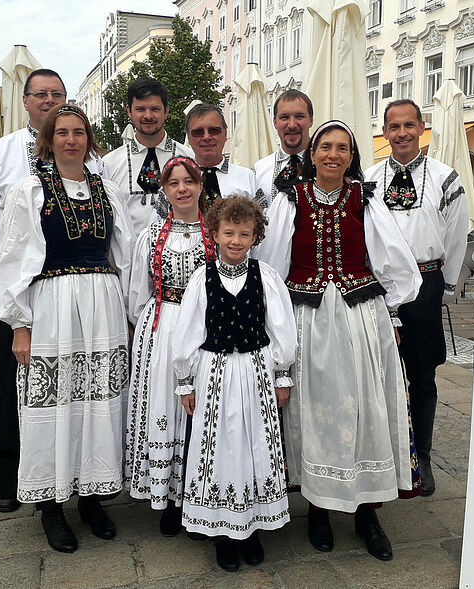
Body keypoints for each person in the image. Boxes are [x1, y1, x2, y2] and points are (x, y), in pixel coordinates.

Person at [256, 120, 422, 561]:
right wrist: (275, 318)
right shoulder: (289, 200)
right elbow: (271, 265)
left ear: (352, 156)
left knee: (365, 406)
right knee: (315, 410)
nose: (333, 154)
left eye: (342, 148)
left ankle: (368, 509)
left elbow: (395, 259)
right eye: (325, 147)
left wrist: (391, 309)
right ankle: (318, 508)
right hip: (308, 317)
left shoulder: (365, 198)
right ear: (311, 154)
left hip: (358, 316)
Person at [0, 69, 105, 514]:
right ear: (25, 101)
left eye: (57, 94)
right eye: (40, 94)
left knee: (81, 388)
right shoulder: (1, 153)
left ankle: (84, 480)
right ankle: (12, 476)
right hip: (24, 290)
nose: (48, 100)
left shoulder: (92, 165)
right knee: (18, 385)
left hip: (83, 295)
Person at [0, 104, 132, 553]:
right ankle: (51, 506)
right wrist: (19, 325)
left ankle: (91, 496)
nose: (71, 140)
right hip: (52, 304)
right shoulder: (29, 189)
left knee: (98, 401)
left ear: (90, 139)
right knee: (52, 405)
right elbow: (13, 261)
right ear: (48, 140)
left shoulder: (108, 188)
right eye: (62, 133)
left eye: (79, 133)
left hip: (102, 306)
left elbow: (125, 255)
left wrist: (133, 311)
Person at [171, 196, 296, 572]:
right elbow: (189, 330)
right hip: (215, 371)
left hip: (256, 371)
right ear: (215, 234)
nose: (236, 241)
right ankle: (222, 531)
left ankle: (252, 525)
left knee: (256, 444)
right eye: (229, 232)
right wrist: (185, 381)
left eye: (244, 234)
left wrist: (282, 373)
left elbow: (280, 327)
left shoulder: (267, 276)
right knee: (220, 445)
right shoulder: (202, 277)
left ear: (255, 235)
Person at [364, 99, 468, 496]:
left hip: (425, 283)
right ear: (385, 131)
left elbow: (457, 235)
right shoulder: (369, 179)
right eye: (394, 126)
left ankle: (421, 454)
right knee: (379, 373)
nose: (402, 133)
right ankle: (386, 451)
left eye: (410, 125)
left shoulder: (446, 177)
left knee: (423, 374)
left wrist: (448, 286)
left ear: (422, 127)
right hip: (380, 287)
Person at [124, 156, 215, 535]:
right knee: (165, 404)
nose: (181, 188)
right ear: (164, 189)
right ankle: (168, 498)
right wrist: (143, 328)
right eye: (174, 183)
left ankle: (198, 493)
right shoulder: (152, 234)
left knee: (202, 410)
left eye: (188, 181)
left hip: (208, 330)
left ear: (200, 186)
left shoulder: (217, 232)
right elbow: (138, 292)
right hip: (162, 327)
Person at [102, 77, 194, 236]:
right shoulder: (109, 164)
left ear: (166, 111)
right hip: (128, 258)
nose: (148, 115)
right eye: (140, 109)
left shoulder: (189, 158)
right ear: (129, 111)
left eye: (155, 109)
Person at [184, 103, 260, 210]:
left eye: (213, 130)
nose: (206, 137)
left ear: (225, 134)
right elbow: (159, 223)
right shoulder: (175, 182)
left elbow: (263, 221)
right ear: (188, 138)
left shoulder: (247, 178)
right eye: (198, 132)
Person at [253, 89, 314, 206]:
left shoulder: (329, 166)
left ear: (311, 120)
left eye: (299, 116)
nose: (292, 125)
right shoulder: (258, 171)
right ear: (275, 122)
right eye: (284, 117)